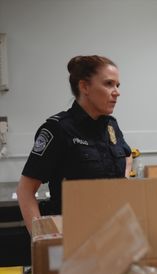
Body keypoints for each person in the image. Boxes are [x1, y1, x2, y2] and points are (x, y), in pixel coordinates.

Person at [17, 55, 132, 233]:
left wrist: (123, 180)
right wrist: (42, 239)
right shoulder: (58, 129)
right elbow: (25, 191)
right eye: (109, 84)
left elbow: (126, 153)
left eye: (117, 85)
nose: (117, 92)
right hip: (72, 236)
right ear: (84, 86)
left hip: (113, 232)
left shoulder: (111, 125)